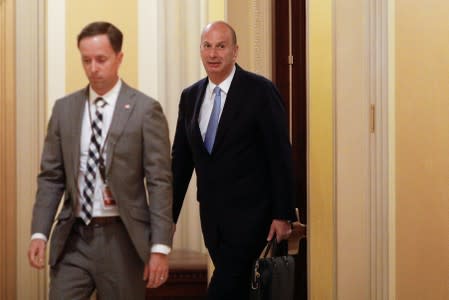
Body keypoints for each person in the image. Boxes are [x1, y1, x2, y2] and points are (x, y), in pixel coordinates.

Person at [27, 21, 173, 299]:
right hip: (74, 237)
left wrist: (160, 248)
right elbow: (51, 178)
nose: (93, 68)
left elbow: (160, 182)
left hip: (123, 239)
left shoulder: (145, 110)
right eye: (86, 60)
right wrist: (39, 233)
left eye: (101, 59)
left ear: (119, 57)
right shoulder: (64, 109)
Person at [171, 21, 297, 299]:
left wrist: (283, 213)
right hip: (212, 219)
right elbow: (180, 162)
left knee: (224, 287)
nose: (213, 54)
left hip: (254, 218)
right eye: (207, 46)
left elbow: (280, 154)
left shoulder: (260, 91)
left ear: (235, 51)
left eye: (221, 46)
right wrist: (168, 217)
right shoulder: (190, 97)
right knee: (238, 289)